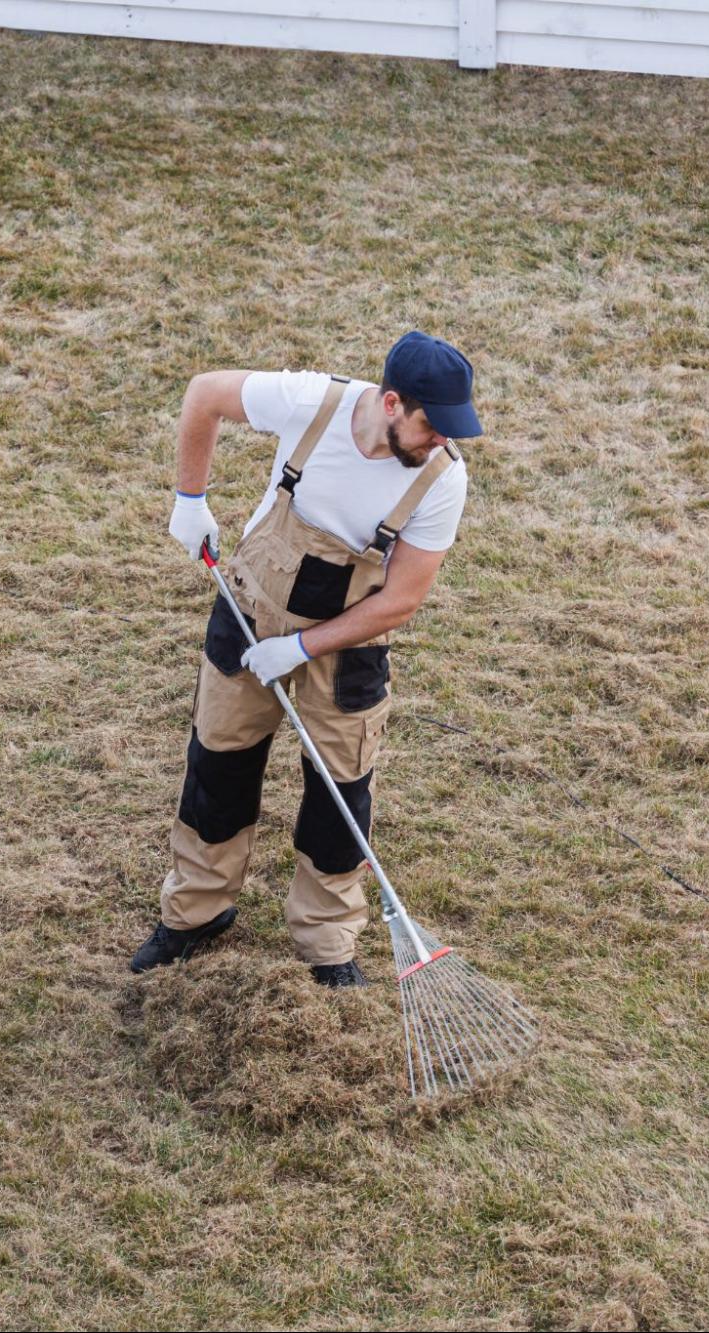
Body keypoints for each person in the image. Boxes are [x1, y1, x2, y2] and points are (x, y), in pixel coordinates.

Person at [129, 331, 479, 987]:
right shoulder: (312, 402)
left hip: (347, 644)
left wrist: (298, 647)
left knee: (339, 791)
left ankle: (326, 941)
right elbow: (204, 393)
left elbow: (400, 599)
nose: (441, 441)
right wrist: (189, 500)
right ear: (391, 403)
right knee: (218, 764)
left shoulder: (441, 479)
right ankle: (195, 911)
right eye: (432, 425)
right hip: (249, 609)